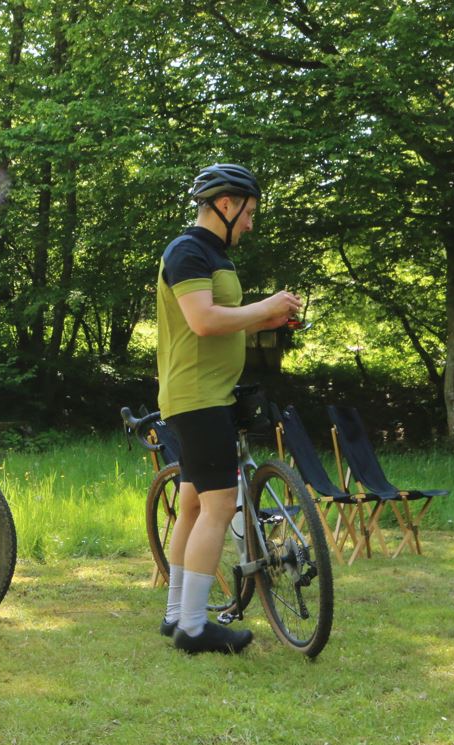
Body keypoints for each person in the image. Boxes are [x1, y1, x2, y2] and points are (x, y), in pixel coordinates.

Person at [155, 163, 302, 654]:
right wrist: (266, 305)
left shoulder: (212, 255)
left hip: (202, 394)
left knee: (195, 503)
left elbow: (227, 322)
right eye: (249, 212)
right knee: (219, 506)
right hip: (199, 398)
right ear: (225, 203)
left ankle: (177, 613)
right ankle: (195, 627)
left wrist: (272, 318)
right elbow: (202, 320)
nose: (250, 223)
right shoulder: (188, 251)